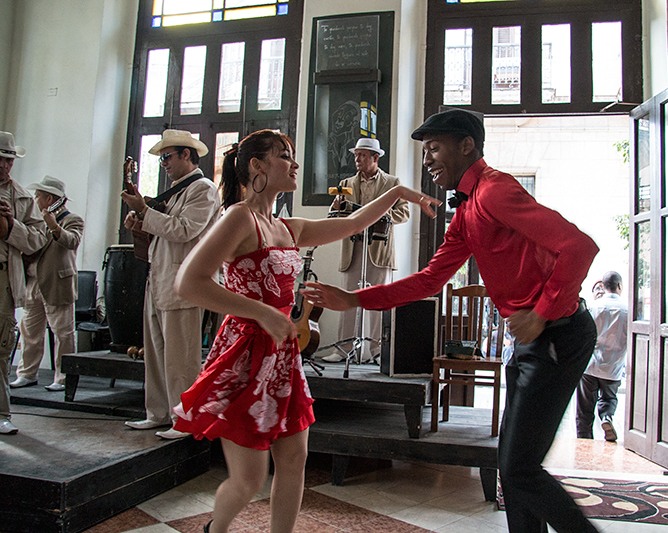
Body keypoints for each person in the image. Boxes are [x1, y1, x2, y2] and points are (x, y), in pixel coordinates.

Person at [302, 109, 601, 533]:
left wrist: (541, 313)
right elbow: (429, 281)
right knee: (512, 464)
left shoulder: (495, 190)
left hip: (559, 334)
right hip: (534, 340)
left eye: (434, 149)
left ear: (467, 146)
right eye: (425, 152)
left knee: (517, 467)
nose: (427, 161)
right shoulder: (464, 213)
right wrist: (352, 298)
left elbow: (580, 247)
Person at [171, 129, 438, 533]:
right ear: (257, 166)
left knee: (294, 461)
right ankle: (215, 529)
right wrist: (260, 312)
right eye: (284, 155)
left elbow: (352, 222)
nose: (295, 164)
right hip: (244, 353)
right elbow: (190, 282)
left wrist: (400, 193)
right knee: (249, 479)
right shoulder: (239, 217)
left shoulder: (287, 227)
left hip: (282, 355)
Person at [120, 129, 220, 440]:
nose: (163, 163)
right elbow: (164, 233)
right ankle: (159, 412)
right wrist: (141, 224)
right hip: (160, 277)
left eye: (166, 156)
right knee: (156, 351)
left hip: (184, 282)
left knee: (181, 356)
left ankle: (185, 419)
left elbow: (184, 230)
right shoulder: (177, 190)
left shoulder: (202, 189)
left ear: (186, 155)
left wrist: (143, 211)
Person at [323, 137, 409, 363]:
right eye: (355, 155)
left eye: (362, 155)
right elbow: (335, 217)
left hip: (379, 249)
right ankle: (343, 349)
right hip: (352, 249)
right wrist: (336, 208)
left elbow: (404, 214)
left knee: (380, 301)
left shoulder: (393, 183)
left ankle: (379, 351)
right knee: (347, 299)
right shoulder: (346, 183)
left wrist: (379, 216)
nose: (357, 159)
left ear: (375, 158)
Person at [10, 176, 84, 392]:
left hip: (57, 284)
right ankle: (26, 374)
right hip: (33, 283)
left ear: (49, 198)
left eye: (38, 195)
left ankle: (63, 378)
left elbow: (72, 241)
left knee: (63, 334)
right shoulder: (36, 221)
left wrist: (54, 227)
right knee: (29, 332)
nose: (35, 199)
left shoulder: (72, 219)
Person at [0, 131, 47, 435]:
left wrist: (10, 226)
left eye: (8, 160)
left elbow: (38, 239)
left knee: (2, 349)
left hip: (4, 277)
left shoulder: (21, 196)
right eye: (0, 159)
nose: (4, 166)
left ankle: (2, 413)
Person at [576, 271, 628, 442]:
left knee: (585, 409)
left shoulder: (594, 307)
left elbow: (583, 334)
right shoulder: (627, 310)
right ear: (619, 286)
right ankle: (607, 417)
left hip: (590, 364)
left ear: (604, 287)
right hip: (613, 365)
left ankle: (584, 442)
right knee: (609, 398)